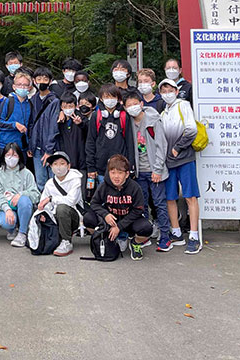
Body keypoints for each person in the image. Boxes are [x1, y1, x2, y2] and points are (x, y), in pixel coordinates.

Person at [125, 90, 173, 252]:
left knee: (159, 204)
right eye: (128, 105)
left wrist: (158, 169)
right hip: (139, 173)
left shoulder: (153, 119)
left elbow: (162, 146)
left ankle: (166, 236)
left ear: (141, 104)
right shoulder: (129, 123)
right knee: (141, 205)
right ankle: (144, 236)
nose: (132, 108)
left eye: (134, 104)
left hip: (155, 171)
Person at [84, 154, 153, 261]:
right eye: (113, 172)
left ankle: (135, 243)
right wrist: (105, 214)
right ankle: (104, 237)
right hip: (110, 220)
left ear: (126, 174)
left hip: (128, 220)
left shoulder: (135, 187)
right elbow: (94, 203)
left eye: (120, 173)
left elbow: (138, 210)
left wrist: (119, 227)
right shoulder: (104, 185)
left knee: (147, 228)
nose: (116, 176)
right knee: (88, 218)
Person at [159, 78, 201, 254]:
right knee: (170, 197)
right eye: (164, 91)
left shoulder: (183, 105)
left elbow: (191, 129)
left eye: (170, 90)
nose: (167, 93)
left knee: (190, 196)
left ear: (177, 91)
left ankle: (193, 235)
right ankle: (176, 233)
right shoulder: (162, 113)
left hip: (184, 159)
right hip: (168, 162)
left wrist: (178, 147)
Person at [85, 84, 134, 185]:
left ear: (118, 98)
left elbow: (129, 143)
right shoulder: (96, 116)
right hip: (101, 167)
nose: (110, 100)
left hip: (121, 167)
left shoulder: (124, 116)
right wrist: (91, 167)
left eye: (113, 97)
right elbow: (90, 142)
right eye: (106, 97)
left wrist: (131, 166)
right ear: (101, 99)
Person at [0, 142, 41, 248]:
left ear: (19, 157)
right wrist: (7, 209)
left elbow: (36, 194)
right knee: (6, 222)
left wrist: (20, 195)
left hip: (23, 206)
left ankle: (22, 233)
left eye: (14, 155)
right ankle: (12, 230)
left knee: (24, 201)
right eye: (8, 155)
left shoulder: (27, 173)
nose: (11, 158)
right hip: (7, 205)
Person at [38, 151, 83, 257]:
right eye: (55, 164)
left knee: (61, 208)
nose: (58, 167)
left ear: (69, 166)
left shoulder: (75, 180)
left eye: (62, 163)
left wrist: (51, 199)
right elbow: (43, 202)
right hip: (55, 218)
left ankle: (66, 241)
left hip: (73, 216)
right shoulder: (49, 183)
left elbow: (71, 200)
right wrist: (44, 212)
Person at [28, 67, 60, 190]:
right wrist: (31, 145)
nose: (42, 81)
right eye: (39, 79)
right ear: (34, 81)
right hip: (36, 148)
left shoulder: (54, 101)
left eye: (45, 79)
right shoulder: (33, 99)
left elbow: (54, 127)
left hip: (50, 148)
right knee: (40, 181)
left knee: (53, 181)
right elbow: (31, 123)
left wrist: (49, 150)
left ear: (50, 81)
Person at [0, 69, 32, 156]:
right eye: (19, 84)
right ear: (14, 86)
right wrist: (14, 125)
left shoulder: (30, 104)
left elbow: (31, 126)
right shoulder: (8, 101)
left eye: (25, 85)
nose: (22, 87)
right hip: (6, 145)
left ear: (29, 87)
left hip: (22, 147)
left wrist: (29, 146)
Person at [55, 91, 87, 174]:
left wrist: (81, 124)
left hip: (81, 161)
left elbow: (88, 132)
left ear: (76, 106)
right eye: (64, 106)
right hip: (64, 161)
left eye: (70, 106)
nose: (68, 109)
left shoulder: (81, 117)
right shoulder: (58, 119)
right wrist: (58, 121)